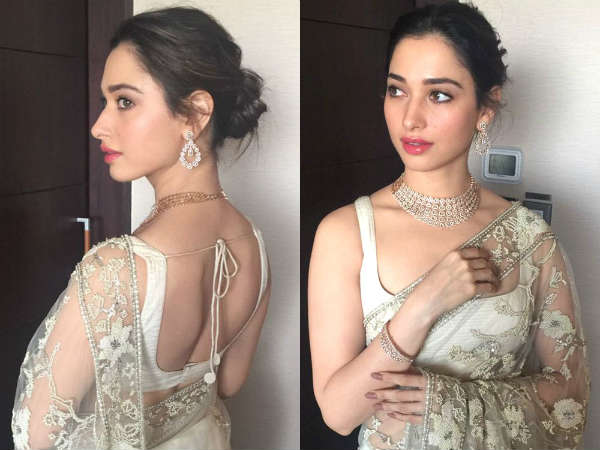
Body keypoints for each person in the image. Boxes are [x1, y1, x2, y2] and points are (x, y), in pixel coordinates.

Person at [308, 3, 589, 449]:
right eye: (397, 90)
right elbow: (339, 414)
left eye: (438, 94)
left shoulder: (531, 240)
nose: (410, 118)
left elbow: (571, 399)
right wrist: (423, 306)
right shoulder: (345, 233)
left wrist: (448, 401)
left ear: (485, 107)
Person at [11, 7, 270, 450]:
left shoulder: (116, 269)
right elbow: (228, 381)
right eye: (106, 102)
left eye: (125, 102)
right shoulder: (253, 244)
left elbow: (34, 436)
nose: (99, 126)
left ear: (195, 113)